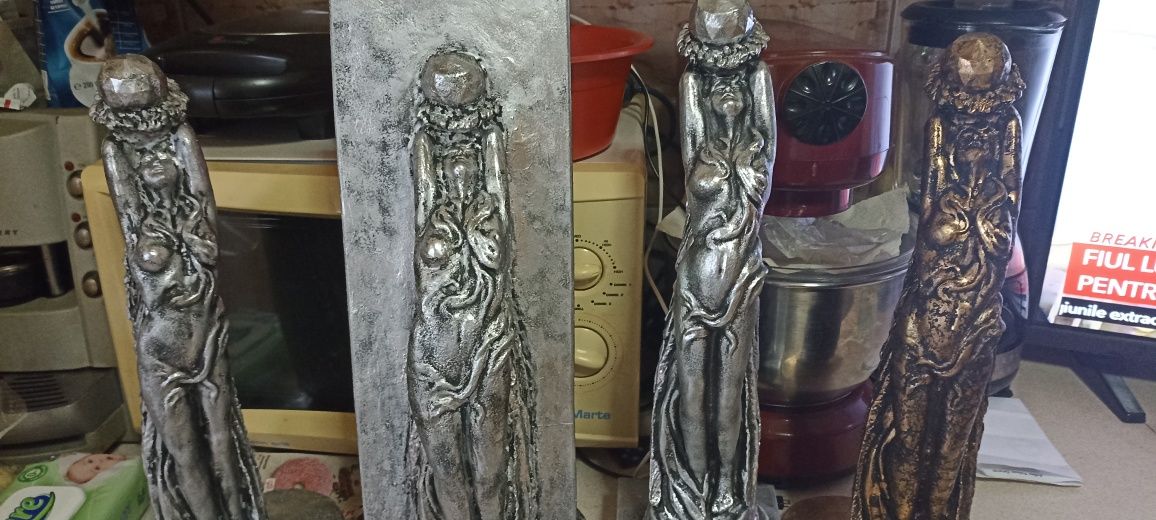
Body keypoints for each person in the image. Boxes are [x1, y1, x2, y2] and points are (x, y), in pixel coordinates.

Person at [852, 32, 1024, 520]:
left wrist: (980, 216)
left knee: (952, 447)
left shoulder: (1006, 142)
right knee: (907, 440)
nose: (976, 136)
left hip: (976, 327)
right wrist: (957, 218)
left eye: (985, 129)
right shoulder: (938, 135)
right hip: (925, 326)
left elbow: (1006, 220)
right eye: (966, 128)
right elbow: (930, 216)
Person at [90, 54, 265, 520]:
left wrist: (185, 237)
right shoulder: (116, 154)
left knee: (221, 439)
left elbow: (205, 222)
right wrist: (168, 245)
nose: (146, 147)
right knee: (184, 452)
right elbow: (135, 232)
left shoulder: (182, 140)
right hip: (162, 342)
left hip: (204, 330)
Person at [648, 1, 776, 518]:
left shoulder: (756, 147)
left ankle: (727, 487)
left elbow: (762, 183)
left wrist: (754, 84)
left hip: (740, 281)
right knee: (690, 396)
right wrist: (694, 87)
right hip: (695, 283)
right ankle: (693, 491)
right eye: (713, 79)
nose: (726, 89)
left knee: (727, 401)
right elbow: (693, 157)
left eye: (736, 79)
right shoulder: (697, 125)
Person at [407, 50, 539, 520]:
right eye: (448, 160)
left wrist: (482, 126)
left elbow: (498, 165)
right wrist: (438, 121)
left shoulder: (491, 212)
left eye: (469, 156)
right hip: (434, 361)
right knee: (447, 474)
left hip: (489, 349)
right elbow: (422, 158)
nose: (459, 164)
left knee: (490, 473)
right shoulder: (431, 212)